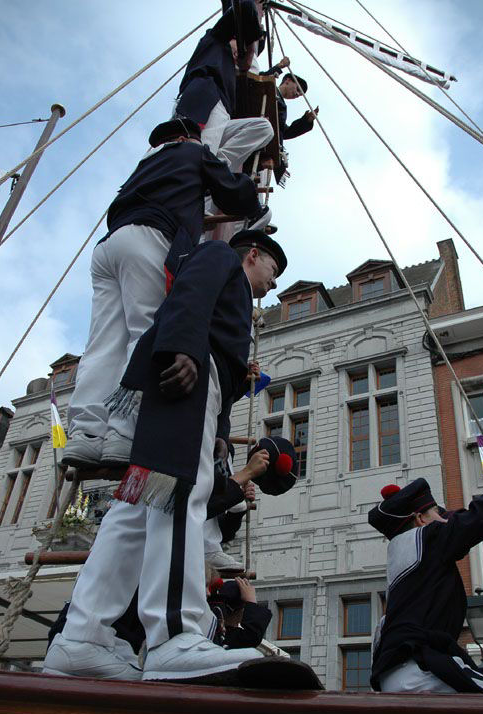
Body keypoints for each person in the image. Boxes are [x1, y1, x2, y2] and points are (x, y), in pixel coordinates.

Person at [44, 229, 287, 684]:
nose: (272, 285)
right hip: (190, 375)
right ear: (252, 254)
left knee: (136, 507)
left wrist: (226, 406)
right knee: (180, 493)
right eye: (272, 272)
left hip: (190, 383)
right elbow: (189, 292)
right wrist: (184, 350)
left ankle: (82, 636)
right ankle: (175, 634)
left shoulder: (231, 286)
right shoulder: (219, 255)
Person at [62, 116, 264, 469]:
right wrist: (250, 194)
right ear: (188, 137)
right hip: (151, 238)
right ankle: (123, 434)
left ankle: (85, 435)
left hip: (110, 244)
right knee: (145, 334)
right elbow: (235, 192)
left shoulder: (146, 163)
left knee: (102, 342)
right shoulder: (194, 153)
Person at [369, 478, 483, 694]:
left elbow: (456, 521)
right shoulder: (429, 539)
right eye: (438, 513)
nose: (444, 519)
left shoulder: (404, 554)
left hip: (394, 676)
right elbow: (481, 516)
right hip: (421, 671)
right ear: (420, 519)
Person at [176, 0, 274, 176]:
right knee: (191, 159)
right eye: (239, 42)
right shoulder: (214, 40)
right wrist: (250, 52)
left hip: (221, 112)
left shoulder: (228, 65)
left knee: (264, 128)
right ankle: (204, 173)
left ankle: (215, 170)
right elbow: (245, 7)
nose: (239, 52)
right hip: (206, 100)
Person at [276, 72, 319, 145]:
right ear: (288, 81)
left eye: (299, 95)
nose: (297, 94)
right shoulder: (267, 87)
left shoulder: (282, 105)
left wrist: (305, 121)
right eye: (298, 89)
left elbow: (285, 132)